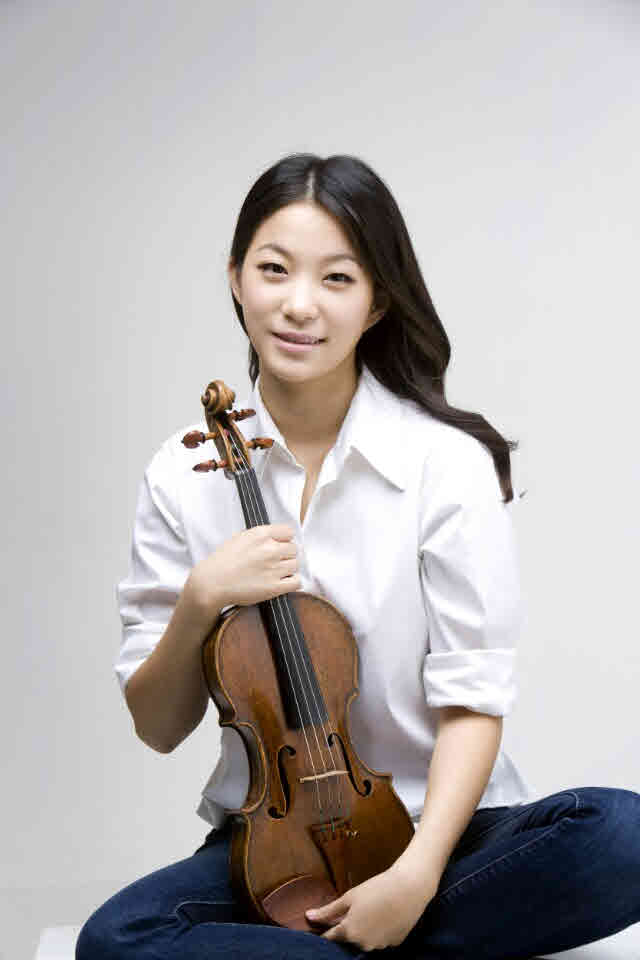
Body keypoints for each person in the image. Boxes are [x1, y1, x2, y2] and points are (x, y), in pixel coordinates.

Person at [76, 153, 640, 960]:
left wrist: (414, 878)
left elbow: (472, 703)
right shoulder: (179, 473)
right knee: (116, 940)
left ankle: (349, 943)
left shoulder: (444, 463)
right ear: (236, 278)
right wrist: (201, 599)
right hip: (276, 849)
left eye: (337, 279)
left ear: (376, 302)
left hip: (444, 836)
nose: (299, 304)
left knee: (621, 833)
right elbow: (159, 728)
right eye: (274, 270)